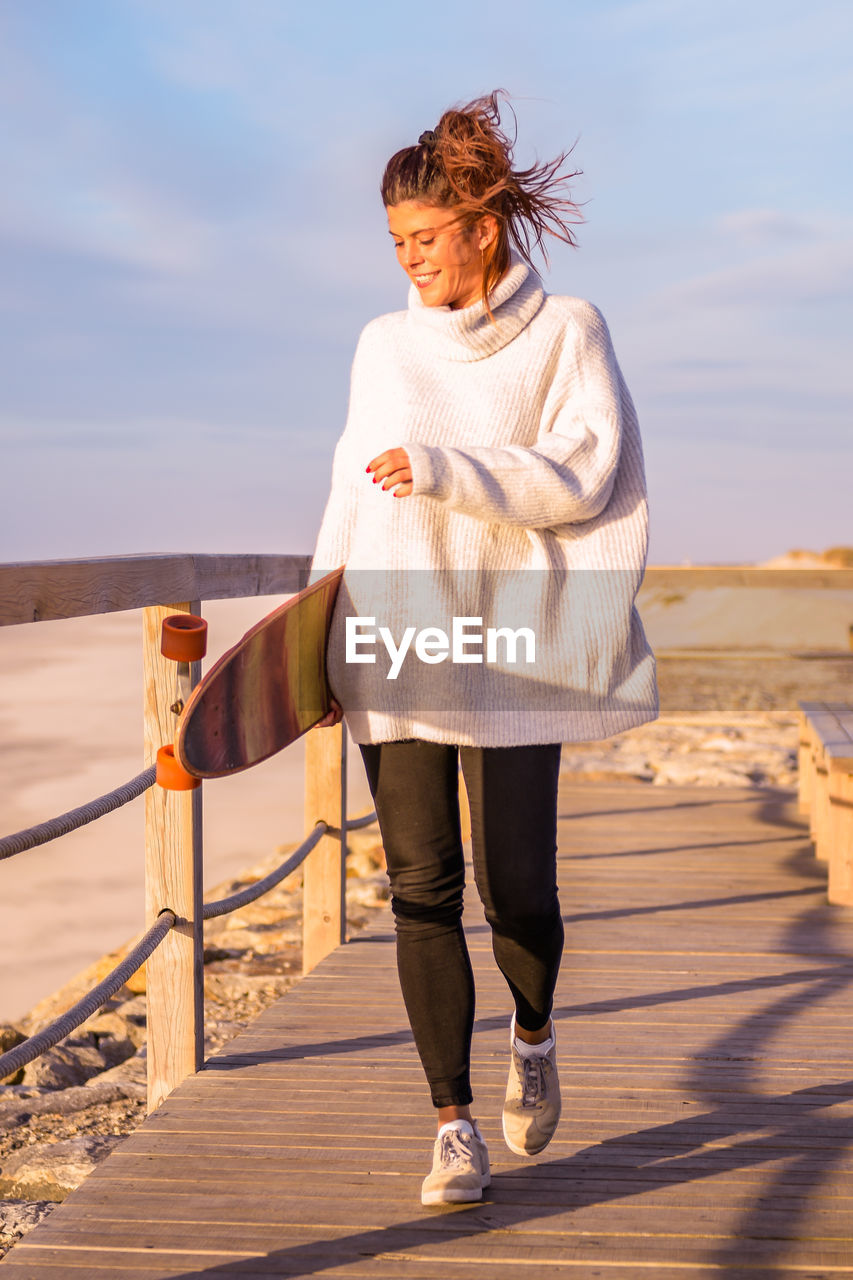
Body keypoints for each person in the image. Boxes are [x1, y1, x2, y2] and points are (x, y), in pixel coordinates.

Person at [310, 90, 657, 1206]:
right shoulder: (379, 343)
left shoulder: (569, 332)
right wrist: (312, 634)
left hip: (515, 637)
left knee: (518, 889)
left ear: (481, 227)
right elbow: (347, 491)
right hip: (398, 631)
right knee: (420, 884)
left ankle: (537, 1032)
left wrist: (451, 467)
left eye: (423, 236)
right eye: (394, 242)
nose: (408, 258)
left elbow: (587, 472)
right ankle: (452, 1123)